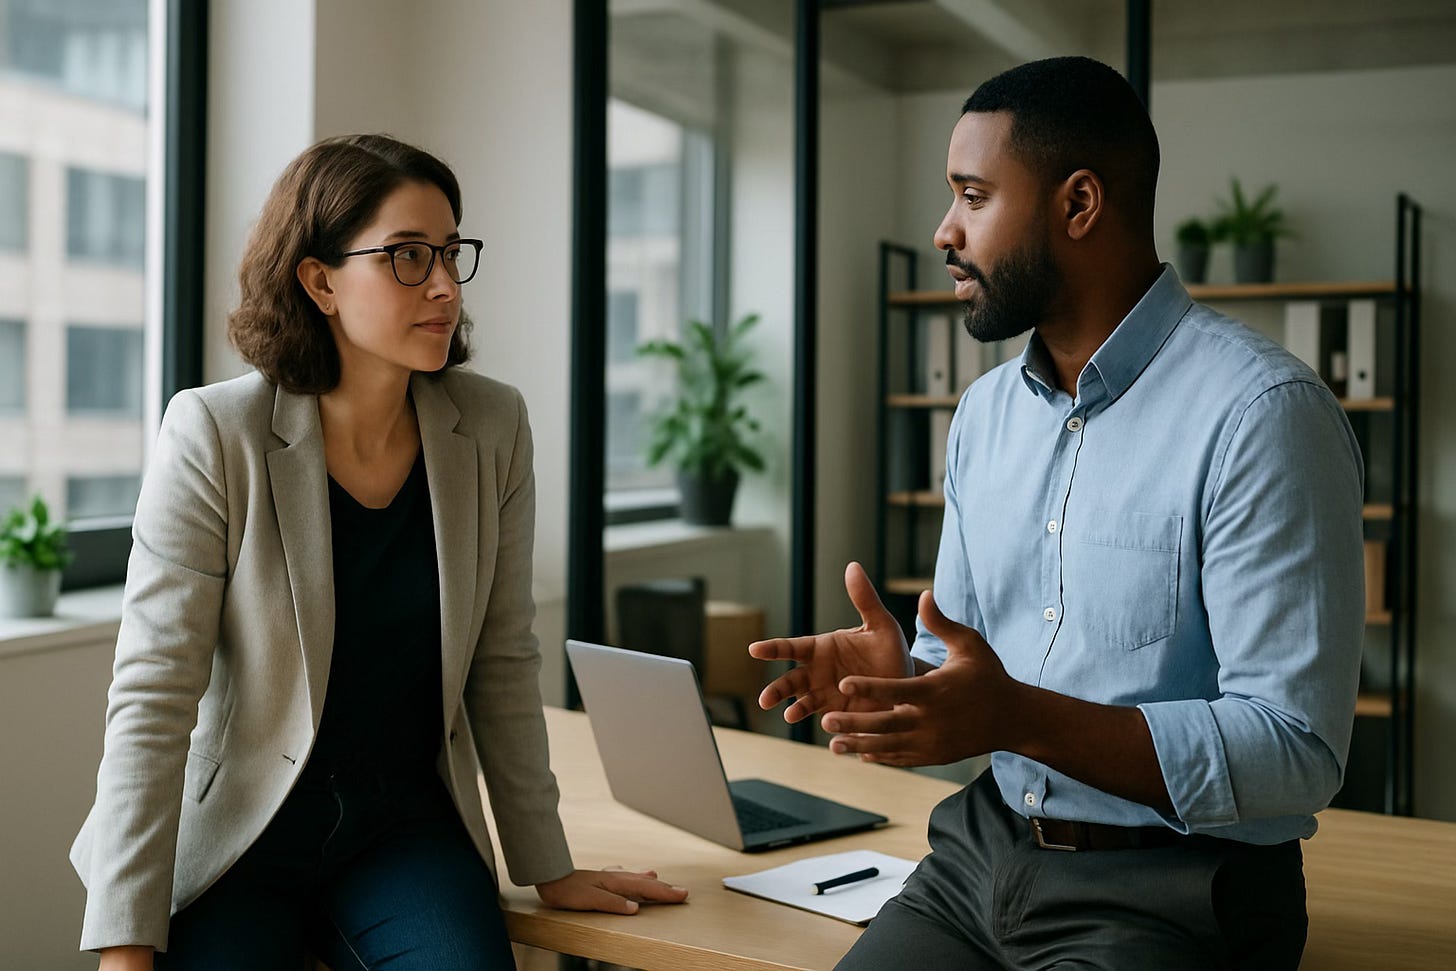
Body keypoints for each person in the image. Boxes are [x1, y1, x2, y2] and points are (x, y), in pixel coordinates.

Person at [751, 57, 1363, 969]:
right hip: (975, 863)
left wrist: (1017, 717)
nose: (944, 229)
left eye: (972, 196)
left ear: (1079, 206)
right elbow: (974, 681)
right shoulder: (985, 416)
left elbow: (1296, 749)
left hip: (1175, 893)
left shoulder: (1263, 416)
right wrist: (904, 683)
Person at [71, 134, 688, 970]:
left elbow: (503, 659)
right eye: (404, 255)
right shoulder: (215, 435)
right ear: (319, 280)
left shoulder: (492, 427)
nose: (441, 283)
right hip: (241, 835)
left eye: (448, 252)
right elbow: (153, 694)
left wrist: (548, 865)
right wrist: (124, 944)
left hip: (405, 829)